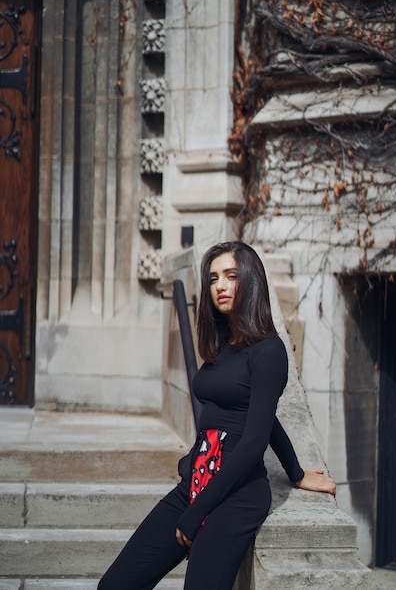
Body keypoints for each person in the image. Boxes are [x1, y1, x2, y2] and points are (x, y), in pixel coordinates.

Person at [98, 241, 336, 590]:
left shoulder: (269, 351)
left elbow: (255, 438)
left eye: (230, 276)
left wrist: (294, 474)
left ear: (251, 281)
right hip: (197, 483)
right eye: (212, 278)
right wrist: (196, 480)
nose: (219, 286)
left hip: (237, 496)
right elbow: (261, 415)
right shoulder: (224, 344)